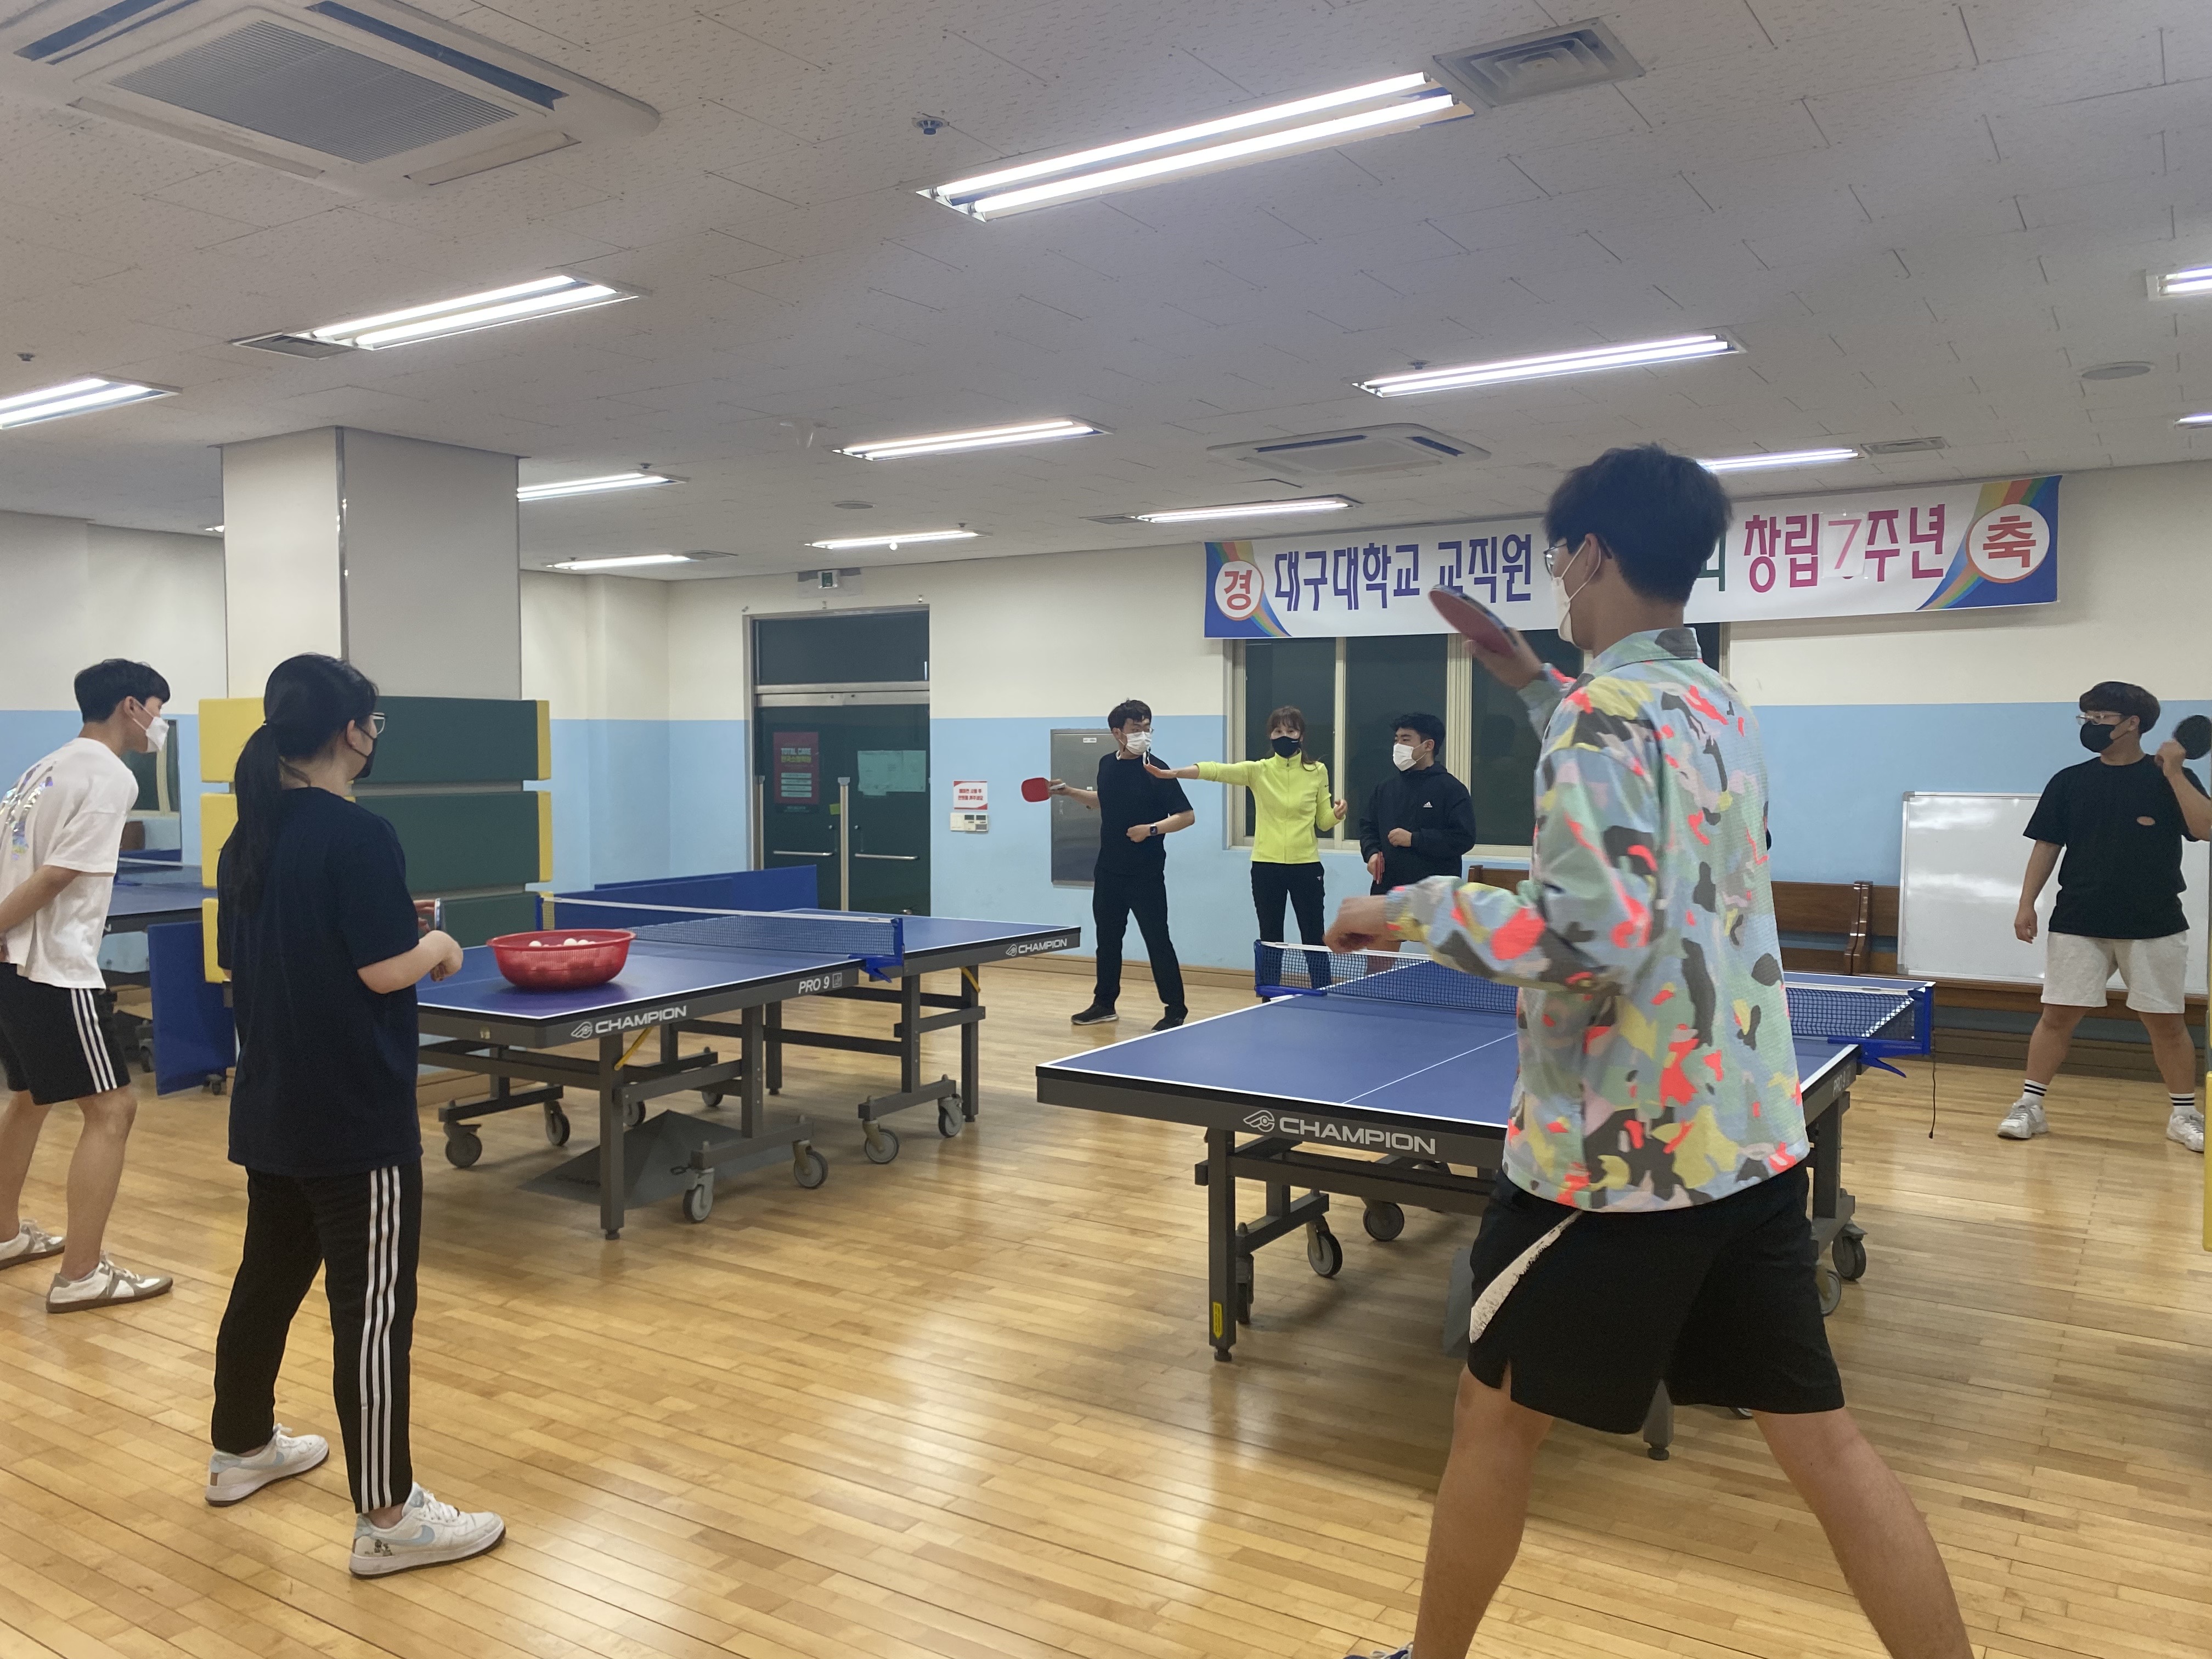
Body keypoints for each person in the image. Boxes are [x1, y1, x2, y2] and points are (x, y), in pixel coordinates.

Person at [1324, 445, 1970, 1659]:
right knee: (1826, 1444)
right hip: (1747, 1144)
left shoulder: (1599, 714)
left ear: (1593, 554)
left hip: (1612, 1167)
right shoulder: (1713, 699)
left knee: (1492, 1421)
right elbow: (1629, 778)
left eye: (1559, 558)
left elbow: (1588, 936)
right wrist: (1530, 680)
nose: (1555, 580)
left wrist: (1406, 909)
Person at [207, 653, 505, 1577]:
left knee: (265, 1282)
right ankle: (388, 1514)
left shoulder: (246, 837)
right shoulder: (360, 835)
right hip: (352, 1119)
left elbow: (249, 963)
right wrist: (438, 943)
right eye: (374, 721)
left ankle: (241, 1447)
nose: (376, 735)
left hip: (271, 1108)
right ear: (352, 731)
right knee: (372, 1315)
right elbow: (382, 970)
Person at [0, 658, 174, 1312]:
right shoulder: (108, 774)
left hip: (12, 962)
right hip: (53, 966)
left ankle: (5, 1235)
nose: (158, 724)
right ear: (132, 706)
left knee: (29, 1098)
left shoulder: (42, 768)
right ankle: (81, 1275)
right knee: (113, 1110)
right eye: (157, 709)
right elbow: (56, 876)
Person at [2001, 681, 2209, 1153]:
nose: (2090, 726)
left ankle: (2184, 1115)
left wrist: (2176, 772)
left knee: (2167, 1023)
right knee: (2057, 1017)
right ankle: (2030, 1106)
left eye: (2101, 719)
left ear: (2133, 723)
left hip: (2154, 921)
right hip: (2079, 918)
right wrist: (2026, 902)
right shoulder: (2069, 781)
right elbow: (2047, 845)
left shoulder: (2169, 777)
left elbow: (2204, 828)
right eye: (2087, 718)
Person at [1148, 706, 1345, 978]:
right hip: (1266, 867)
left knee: (1313, 935)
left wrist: (1336, 815)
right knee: (1270, 936)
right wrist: (1174, 773)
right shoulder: (1258, 770)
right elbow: (1216, 771)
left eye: (1291, 731)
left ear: (1301, 736)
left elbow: (1322, 821)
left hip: (1306, 867)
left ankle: (1321, 990)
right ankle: (1269, 993)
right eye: (1278, 731)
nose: (1284, 736)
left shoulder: (1317, 771)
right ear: (1270, 735)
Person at [1050, 699, 1195, 1031]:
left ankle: (1175, 1009)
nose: (1144, 734)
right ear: (1117, 733)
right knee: (1108, 940)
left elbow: (1186, 816)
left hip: (1146, 873)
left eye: (1147, 727)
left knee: (1158, 940)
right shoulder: (1107, 764)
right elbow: (1106, 801)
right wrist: (1069, 792)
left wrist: (1151, 829)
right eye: (1136, 728)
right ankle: (1104, 1004)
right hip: (1108, 870)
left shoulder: (1157, 769)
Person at [1358, 712, 1476, 896]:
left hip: (1434, 896)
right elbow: (1368, 827)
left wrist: (1414, 839)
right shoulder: (1385, 788)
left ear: (1428, 745)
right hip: (1388, 892)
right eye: (1396, 740)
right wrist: (1372, 853)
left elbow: (1463, 838)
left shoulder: (1451, 789)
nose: (1398, 746)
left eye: (1406, 740)